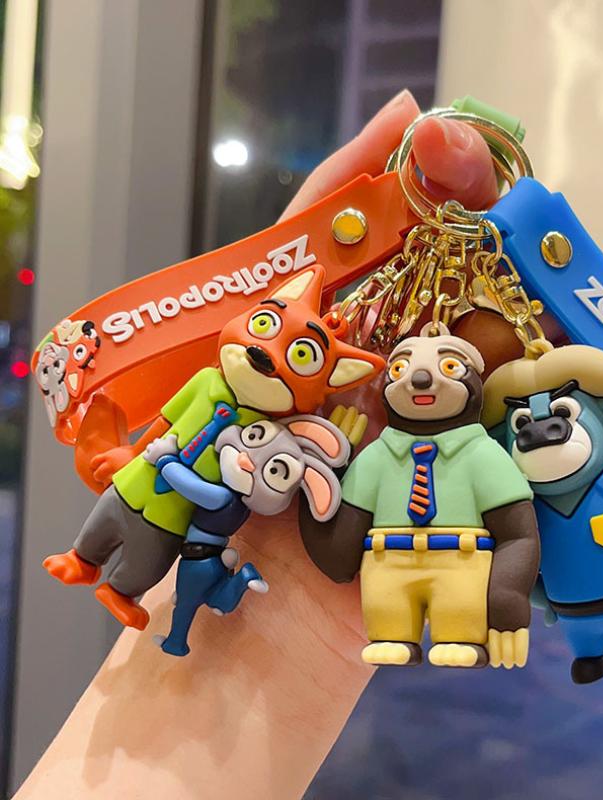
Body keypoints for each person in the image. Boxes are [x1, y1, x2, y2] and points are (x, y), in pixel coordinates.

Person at [14, 89, 506, 800]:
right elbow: (172, 422)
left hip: (186, 510)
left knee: (140, 555)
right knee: (108, 532)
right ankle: (86, 561)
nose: (266, 355)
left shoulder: (289, 434)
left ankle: (114, 583)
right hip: (149, 487)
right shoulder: (211, 384)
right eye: (267, 327)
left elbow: (232, 490)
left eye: (297, 356)